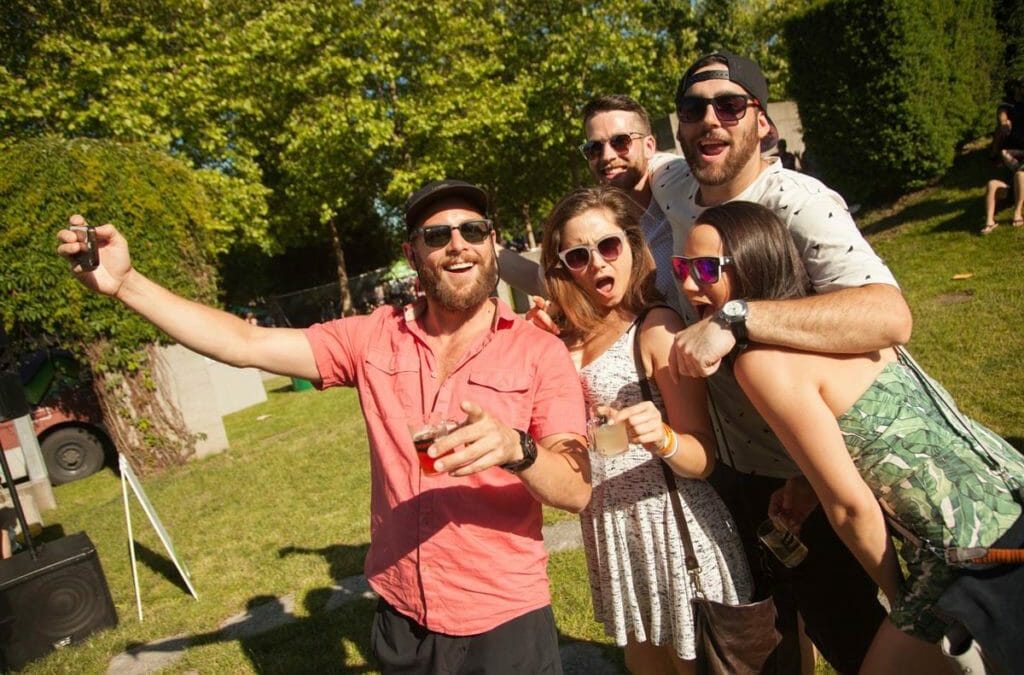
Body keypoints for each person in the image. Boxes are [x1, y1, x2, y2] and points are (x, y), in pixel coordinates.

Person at [57, 179, 592, 675]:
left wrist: (516, 448)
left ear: (492, 243)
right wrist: (126, 284)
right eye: (437, 234)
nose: (458, 244)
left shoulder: (538, 352)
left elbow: (576, 488)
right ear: (413, 254)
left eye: (472, 230)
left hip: (503, 619)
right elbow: (246, 345)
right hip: (402, 609)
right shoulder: (373, 337)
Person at [677, 200, 1024, 674]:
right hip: (1011, 497)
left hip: (969, 547)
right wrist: (802, 485)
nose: (687, 283)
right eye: (682, 266)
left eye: (703, 268)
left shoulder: (760, 364)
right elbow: (882, 425)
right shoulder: (830, 325)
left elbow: (850, 506)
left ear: (752, 263)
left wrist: (901, 598)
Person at [652, 50, 914, 674]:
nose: (709, 120)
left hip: (816, 467)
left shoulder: (799, 202)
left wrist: (736, 318)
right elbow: (627, 177)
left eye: (729, 105)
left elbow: (889, 316)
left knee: (854, 634)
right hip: (737, 464)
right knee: (771, 637)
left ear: (762, 122)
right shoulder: (671, 185)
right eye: (693, 108)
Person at [541, 186, 752, 674]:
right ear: (564, 267)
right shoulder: (561, 336)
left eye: (608, 246)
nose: (597, 264)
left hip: (671, 529)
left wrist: (662, 438)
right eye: (578, 255)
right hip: (612, 529)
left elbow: (703, 457)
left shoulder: (655, 329)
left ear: (633, 246)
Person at [498, 94, 683, 314]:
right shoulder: (594, 226)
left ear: (649, 146)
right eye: (594, 148)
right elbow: (544, 281)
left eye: (620, 142)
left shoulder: (682, 199)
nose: (607, 156)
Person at [992, 79, 1024, 171]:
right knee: (1000, 129)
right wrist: (1004, 122)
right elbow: (1002, 113)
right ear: (1017, 89)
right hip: (1012, 139)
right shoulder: (1008, 103)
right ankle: (994, 156)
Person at [980, 168, 1024, 234]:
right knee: (992, 183)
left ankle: (1017, 213)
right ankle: (990, 222)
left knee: (1020, 174)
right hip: (1014, 185)